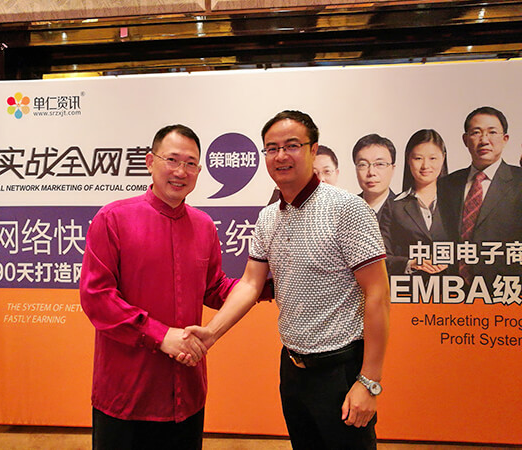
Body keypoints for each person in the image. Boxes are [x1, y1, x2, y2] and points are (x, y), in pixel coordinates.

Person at [183, 111, 390, 449]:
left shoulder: (347, 209)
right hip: (293, 369)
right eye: (272, 148)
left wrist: (369, 382)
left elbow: (378, 295)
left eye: (292, 145)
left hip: (341, 370)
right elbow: (250, 284)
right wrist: (211, 333)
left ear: (313, 149)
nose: (281, 156)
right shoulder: (268, 217)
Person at [79, 124, 259, 449]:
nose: (180, 172)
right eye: (172, 160)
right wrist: (161, 335)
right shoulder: (113, 218)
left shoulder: (204, 226)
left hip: (186, 394)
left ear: (199, 171)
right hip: (126, 395)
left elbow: (214, 288)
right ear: (150, 161)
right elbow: (97, 298)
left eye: (190, 164)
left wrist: (262, 285)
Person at [438, 106, 522, 287]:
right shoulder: (447, 184)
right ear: (465, 139)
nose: (484, 140)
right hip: (455, 290)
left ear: (505, 139)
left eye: (492, 132)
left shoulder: (519, 181)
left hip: (506, 290)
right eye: (476, 133)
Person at [380, 129, 449, 276]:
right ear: (408, 159)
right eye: (418, 158)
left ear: (443, 158)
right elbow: (381, 257)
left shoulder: (458, 202)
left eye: (433, 158)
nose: (425, 166)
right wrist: (410, 263)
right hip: (409, 286)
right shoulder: (393, 206)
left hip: (454, 287)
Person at [268, 143, 339, 204]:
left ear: (336, 173)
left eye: (327, 171)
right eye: (314, 173)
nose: (321, 179)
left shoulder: (344, 206)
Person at [352, 134, 397, 220]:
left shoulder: (405, 214)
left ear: (392, 169)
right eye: (363, 164)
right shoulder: (345, 210)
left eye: (380, 164)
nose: (371, 172)